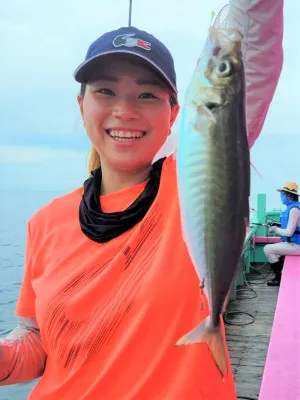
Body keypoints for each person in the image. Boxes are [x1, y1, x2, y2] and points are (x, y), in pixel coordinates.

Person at [0, 1, 284, 398]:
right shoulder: (45, 221)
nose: (125, 110)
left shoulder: (191, 183)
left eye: (148, 95)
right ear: (82, 107)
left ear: (176, 114)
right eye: (105, 91)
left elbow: (249, 64)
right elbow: (37, 341)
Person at [264, 182, 300, 287]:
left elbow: (289, 232)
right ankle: (281, 276)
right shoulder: (293, 208)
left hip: (297, 245)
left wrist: (275, 229)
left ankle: (279, 278)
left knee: (267, 249)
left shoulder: (294, 210)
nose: (281, 197)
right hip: (293, 243)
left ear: (290, 195)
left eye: (283, 194)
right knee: (275, 252)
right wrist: (277, 225)